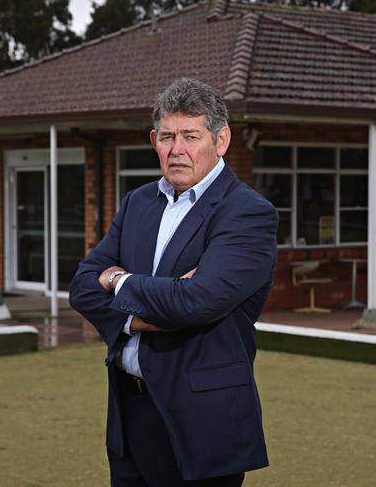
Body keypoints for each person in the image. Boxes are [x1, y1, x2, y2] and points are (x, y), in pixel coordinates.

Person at [69, 78, 278, 487]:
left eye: (190, 136)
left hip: (200, 421)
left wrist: (117, 280)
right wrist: (137, 317)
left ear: (221, 141)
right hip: (130, 413)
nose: (177, 149)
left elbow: (196, 302)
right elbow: (80, 286)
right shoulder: (138, 202)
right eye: (167, 136)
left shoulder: (247, 213)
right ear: (153, 140)